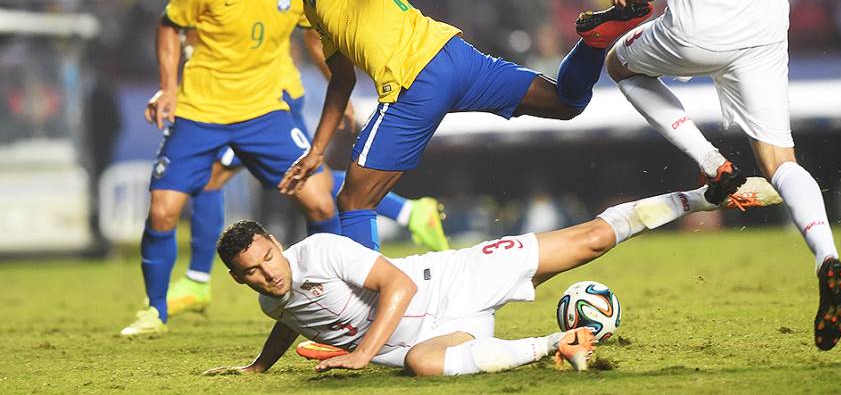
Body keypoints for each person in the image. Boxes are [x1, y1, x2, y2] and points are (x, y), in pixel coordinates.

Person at [238, 0, 654, 252]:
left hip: (413, 81)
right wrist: (316, 151)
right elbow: (342, 79)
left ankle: (359, 324)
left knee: (354, 202)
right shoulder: (314, 1)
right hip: (455, 58)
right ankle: (595, 40)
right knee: (565, 102)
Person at [165, 0, 450, 321]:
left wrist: (339, 86)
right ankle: (409, 212)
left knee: (287, 180)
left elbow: (317, 35)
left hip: (270, 98)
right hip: (225, 100)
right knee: (293, 179)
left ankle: (200, 281)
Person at [600, 0, 841, 350]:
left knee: (621, 65)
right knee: (780, 161)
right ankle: (827, 256)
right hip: (764, 20)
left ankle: (713, 162)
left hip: (700, 24)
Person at [204, 181, 779, 377]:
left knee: (591, 241)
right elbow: (288, 319)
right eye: (250, 273)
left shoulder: (322, 250)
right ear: (238, 279)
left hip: (454, 278)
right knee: (425, 366)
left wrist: (358, 357)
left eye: (266, 259)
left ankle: (704, 194)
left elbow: (397, 288)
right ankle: (558, 343)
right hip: (432, 337)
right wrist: (259, 366)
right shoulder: (271, 303)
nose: (266, 274)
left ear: (277, 245)